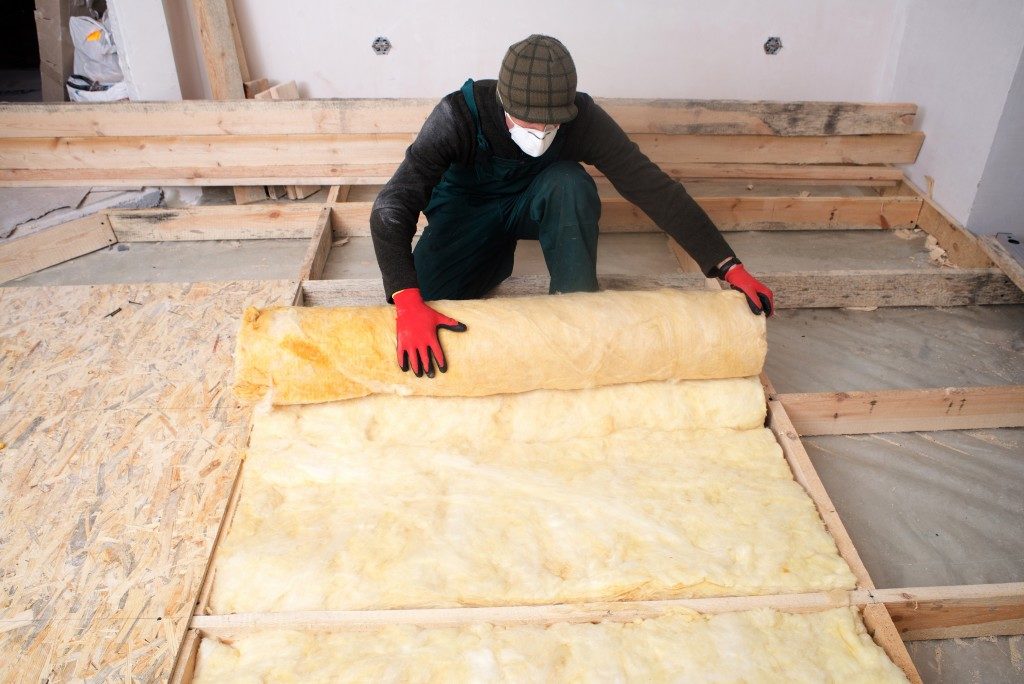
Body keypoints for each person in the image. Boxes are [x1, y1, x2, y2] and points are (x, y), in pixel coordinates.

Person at [370, 34, 774, 378]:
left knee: (570, 182)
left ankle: (575, 308)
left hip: (536, 203)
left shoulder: (582, 117)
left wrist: (727, 265)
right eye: (530, 124)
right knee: (428, 301)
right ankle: (491, 257)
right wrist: (405, 299)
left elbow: (651, 186)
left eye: (552, 124)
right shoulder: (457, 116)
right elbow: (393, 205)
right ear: (503, 103)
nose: (542, 132)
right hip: (465, 210)